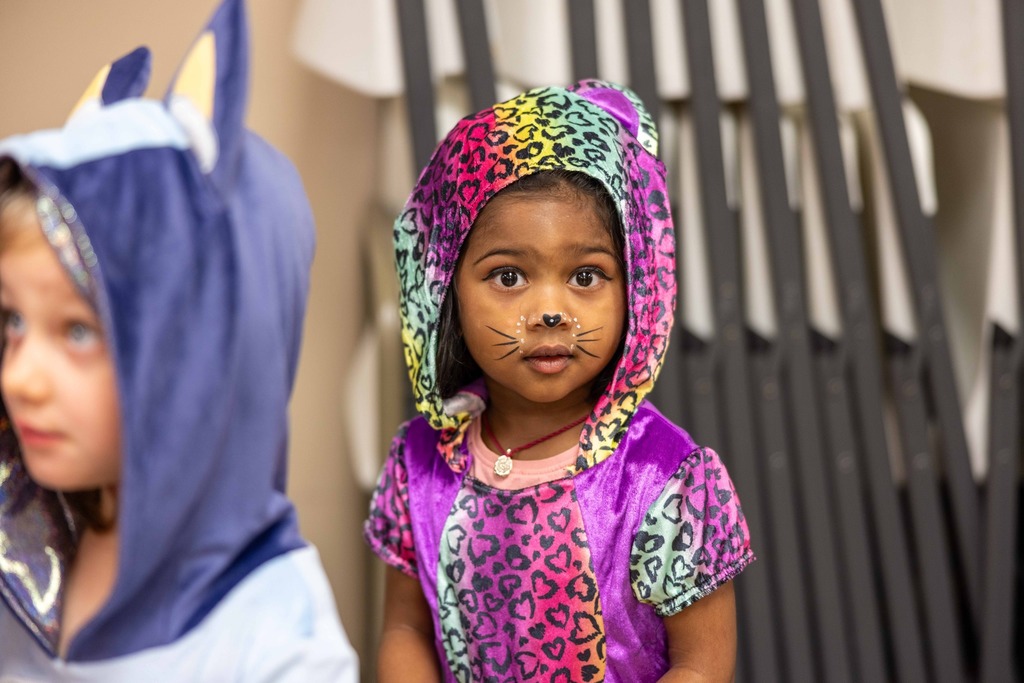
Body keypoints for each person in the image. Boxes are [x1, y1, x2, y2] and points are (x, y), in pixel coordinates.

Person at [0, 0, 357, 679]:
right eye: (12, 321)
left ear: (207, 355)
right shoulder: (27, 544)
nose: (20, 376)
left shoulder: (279, 640)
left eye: (76, 330)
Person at [364, 80, 754, 682]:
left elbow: (701, 667)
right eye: (510, 275)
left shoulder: (666, 481)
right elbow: (405, 629)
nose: (551, 311)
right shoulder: (418, 465)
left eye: (587, 275)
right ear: (446, 289)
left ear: (637, 287)